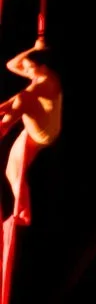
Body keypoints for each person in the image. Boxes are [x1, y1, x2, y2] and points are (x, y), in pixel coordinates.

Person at [0, 43, 63, 224]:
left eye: (29, 67)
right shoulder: (40, 74)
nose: (25, 69)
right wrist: (33, 49)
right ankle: (23, 214)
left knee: (21, 100)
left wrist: (4, 120)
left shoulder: (46, 83)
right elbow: (12, 65)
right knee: (12, 171)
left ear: (42, 66)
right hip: (39, 128)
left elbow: (18, 101)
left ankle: (3, 130)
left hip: (43, 133)